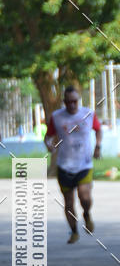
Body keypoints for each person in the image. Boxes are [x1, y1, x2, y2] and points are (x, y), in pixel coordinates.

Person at [45, 86, 102, 242]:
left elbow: (98, 129)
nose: (71, 105)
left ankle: (87, 214)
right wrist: (49, 145)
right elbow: (48, 136)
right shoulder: (57, 117)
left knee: (84, 197)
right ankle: (74, 231)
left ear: (78, 101)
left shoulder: (88, 114)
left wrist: (97, 146)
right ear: (64, 102)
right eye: (68, 102)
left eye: (74, 101)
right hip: (64, 165)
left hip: (84, 164)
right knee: (69, 202)